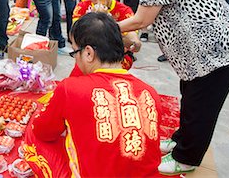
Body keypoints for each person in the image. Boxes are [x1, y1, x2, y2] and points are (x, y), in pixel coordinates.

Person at [119, 0, 229, 175]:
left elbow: (142, 20)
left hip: (215, 53)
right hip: (197, 56)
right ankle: (181, 139)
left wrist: (105, 26)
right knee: (191, 97)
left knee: (200, 108)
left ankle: (187, 157)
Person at [23, 12, 162, 177]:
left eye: (75, 52)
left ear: (88, 53)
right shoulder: (150, 93)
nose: (76, 59)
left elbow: (42, 131)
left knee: (33, 132)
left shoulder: (70, 88)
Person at [71, 0, 141, 71]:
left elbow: (132, 40)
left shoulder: (124, 11)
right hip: (89, 55)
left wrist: (106, 21)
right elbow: (75, 36)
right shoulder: (82, 7)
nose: (96, 1)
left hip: (116, 58)